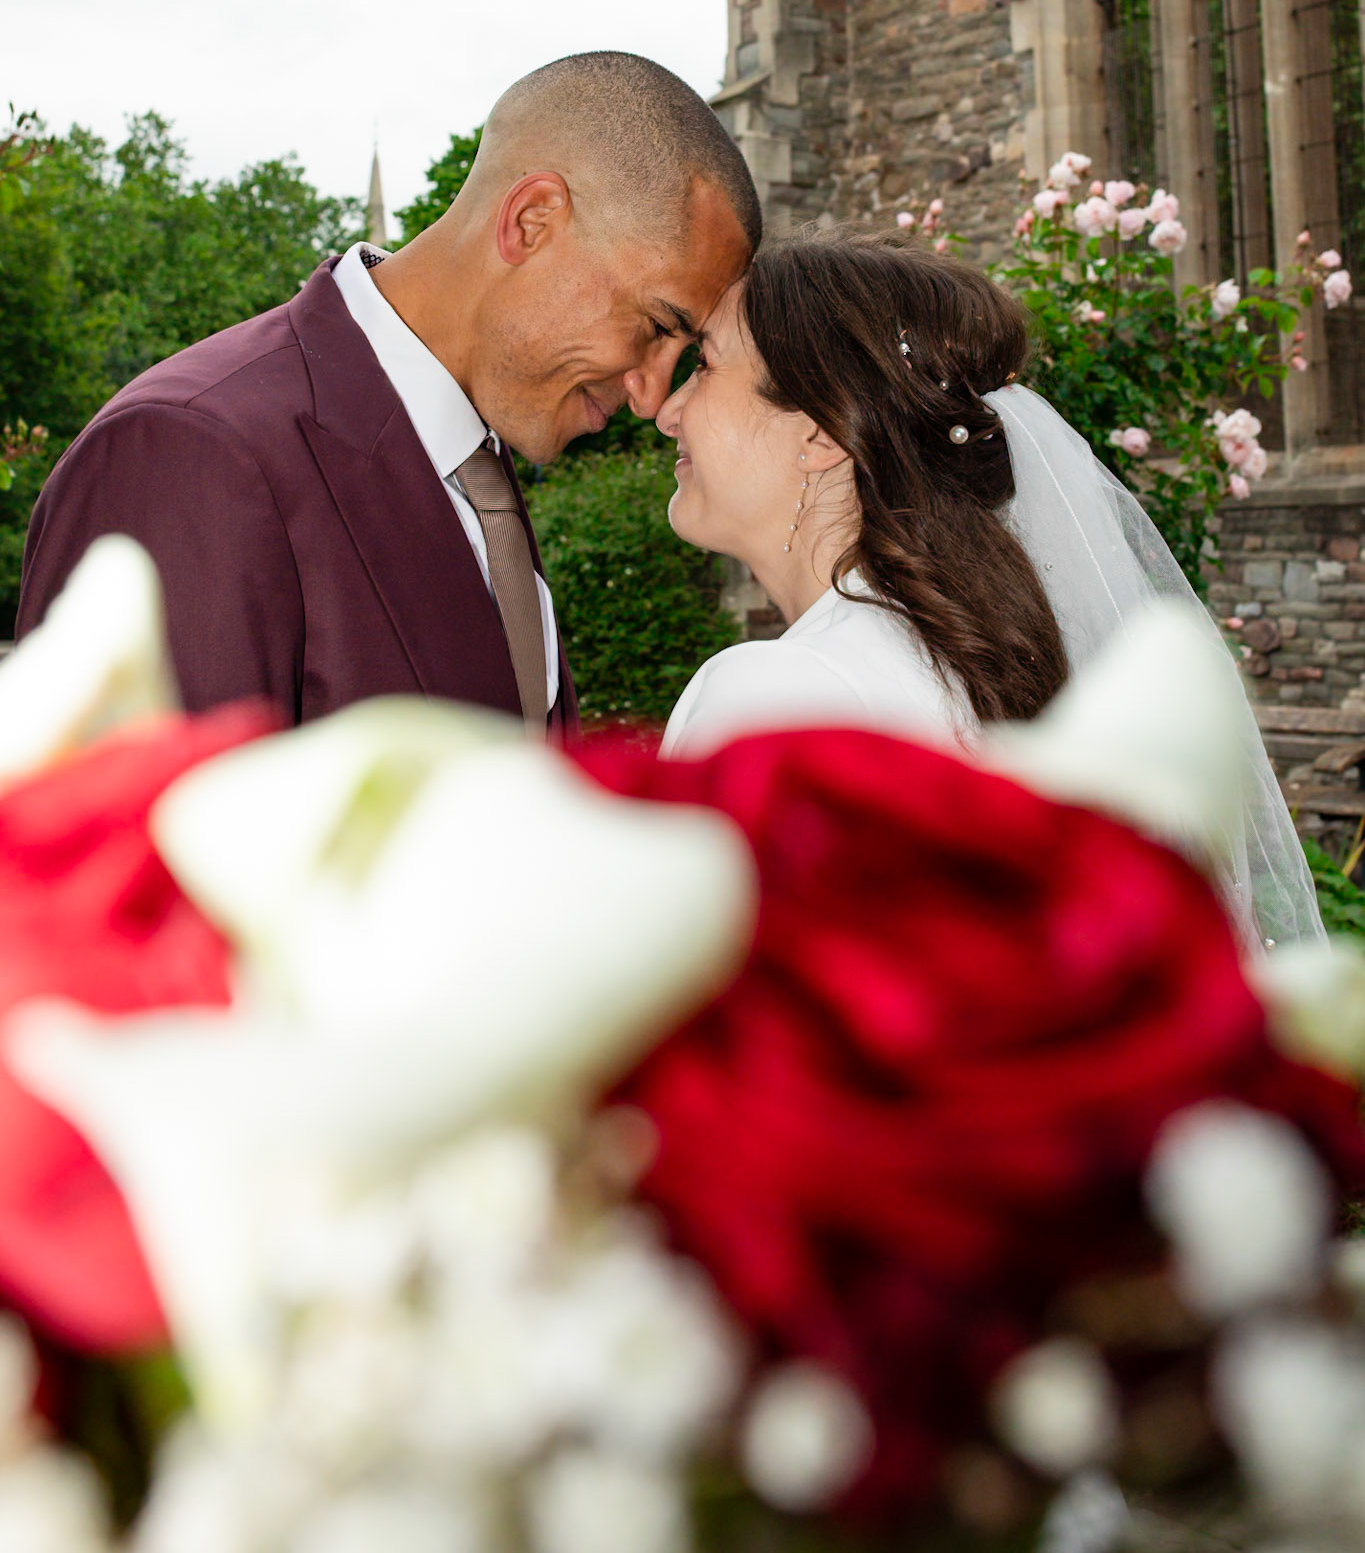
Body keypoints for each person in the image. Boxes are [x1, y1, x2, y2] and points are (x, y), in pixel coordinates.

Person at [18, 51, 759, 735]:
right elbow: (124, 860)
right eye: (657, 325)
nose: (649, 395)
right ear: (531, 222)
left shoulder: (479, 466)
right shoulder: (190, 453)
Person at [658, 225, 1322, 947]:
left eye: (704, 366)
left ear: (817, 433)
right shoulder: (987, 662)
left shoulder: (772, 704)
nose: (666, 411)